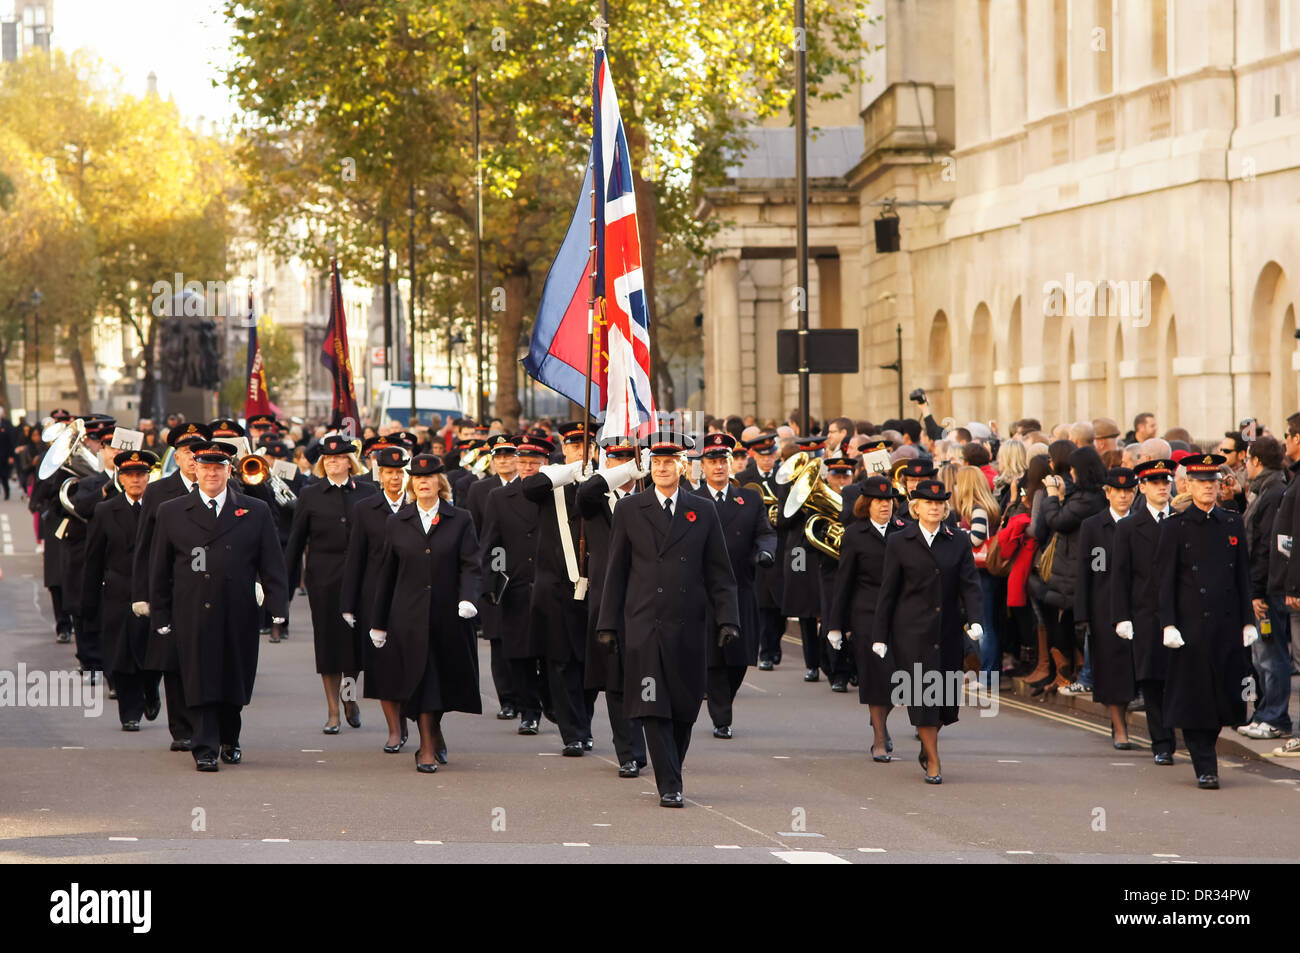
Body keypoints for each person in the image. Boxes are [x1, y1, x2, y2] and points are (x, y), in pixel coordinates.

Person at [597, 431, 740, 807]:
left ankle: (672, 766)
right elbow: (616, 571)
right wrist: (608, 624)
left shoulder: (703, 510)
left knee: (684, 707)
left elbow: (719, 573)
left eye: (669, 462)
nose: (662, 468)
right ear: (648, 466)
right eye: (656, 462)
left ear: (682, 466)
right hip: (644, 626)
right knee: (651, 704)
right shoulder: (629, 509)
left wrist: (728, 619)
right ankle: (670, 783)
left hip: (690, 626)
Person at [147, 440, 289, 771]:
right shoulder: (172, 511)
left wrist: (278, 606)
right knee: (199, 679)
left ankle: (230, 737)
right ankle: (205, 747)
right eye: (206, 467)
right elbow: (159, 568)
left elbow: (272, 563)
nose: (212, 473)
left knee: (233, 679)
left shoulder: (255, 510)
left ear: (229, 470)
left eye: (218, 467)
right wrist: (160, 612)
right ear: (195, 470)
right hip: (192, 610)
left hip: (238, 610)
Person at [369, 454, 481, 773]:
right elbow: (387, 574)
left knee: (442, 680)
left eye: (430, 477)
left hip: (448, 616)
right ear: (412, 484)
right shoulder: (397, 522)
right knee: (420, 679)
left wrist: (468, 598)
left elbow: (471, 564)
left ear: (439, 483)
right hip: (408, 618)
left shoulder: (460, 519)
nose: (424, 482)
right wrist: (378, 624)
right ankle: (426, 748)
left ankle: (434, 730)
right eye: (418, 478)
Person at [871, 478, 983, 784]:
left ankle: (928, 742)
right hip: (910, 633)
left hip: (946, 631)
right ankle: (934, 761)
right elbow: (888, 592)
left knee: (945, 704)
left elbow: (970, 584)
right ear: (915, 507)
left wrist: (975, 619)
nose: (935, 508)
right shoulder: (899, 541)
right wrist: (880, 636)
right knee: (921, 697)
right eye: (929, 503)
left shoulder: (958, 539)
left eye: (939, 504)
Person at [1156, 453, 1256, 789]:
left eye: (1213, 482)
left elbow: (1242, 575)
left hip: (1226, 626)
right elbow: (1165, 580)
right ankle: (1205, 765)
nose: (1209, 488)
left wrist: (1248, 621)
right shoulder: (1175, 526)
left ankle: (1205, 752)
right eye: (1201, 483)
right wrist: (1168, 624)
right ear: (1188, 486)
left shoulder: (1231, 523)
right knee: (1195, 697)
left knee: (1223, 698)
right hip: (1191, 627)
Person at [285, 432, 377, 733]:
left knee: (353, 645)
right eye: (330, 458)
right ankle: (333, 711)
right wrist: (283, 589)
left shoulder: (367, 491)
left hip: (361, 577)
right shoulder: (311, 495)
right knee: (327, 644)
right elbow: (296, 542)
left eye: (340, 458)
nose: (335, 462)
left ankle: (349, 697)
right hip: (323, 578)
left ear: (350, 462)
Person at [521, 423, 601, 756]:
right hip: (556, 589)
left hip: (596, 589)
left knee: (592, 666)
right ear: (564, 448)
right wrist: (570, 471)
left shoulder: (603, 481)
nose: (581, 451)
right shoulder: (552, 478)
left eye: (587, 446)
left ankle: (583, 719)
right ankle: (574, 733)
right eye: (574, 445)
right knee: (561, 662)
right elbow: (530, 488)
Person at [691, 432, 775, 738]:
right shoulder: (691, 498)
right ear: (702, 466)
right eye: (712, 461)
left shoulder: (749, 499)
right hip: (704, 593)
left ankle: (723, 698)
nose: (718, 467)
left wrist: (766, 551)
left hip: (741, 586)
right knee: (713, 658)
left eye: (723, 460)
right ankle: (721, 717)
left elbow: (765, 532)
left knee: (740, 658)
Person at [577, 437, 650, 777]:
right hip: (609, 602)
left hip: (648, 602)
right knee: (617, 682)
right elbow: (586, 493)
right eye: (615, 461)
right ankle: (629, 753)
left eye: (628, 461)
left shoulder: (650, 499)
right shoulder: (595, 501)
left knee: (649, 677)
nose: (622, 468)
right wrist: (617, 473)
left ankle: (653, 742)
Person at [82, 450, 163, 730]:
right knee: (121, 653)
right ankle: (130, 712)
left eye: (141, 474)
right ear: (121, 478)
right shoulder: (105, 511)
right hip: (118, 592)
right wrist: (88, 603)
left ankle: (151, 688)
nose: (136, 480)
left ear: (149, 477)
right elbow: (93, 558)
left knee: (153, 651)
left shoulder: (162, 509)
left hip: (153, 590)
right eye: (130, 475)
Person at [827, 475, 906, 761]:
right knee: (876, 677)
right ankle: (879, 739)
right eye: (878, 501)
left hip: (899, 615)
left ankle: (880, 721)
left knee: (899, 678)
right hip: (866, 616)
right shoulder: (854, 535)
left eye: (888, 500)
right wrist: (835, 624)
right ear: (866, 504)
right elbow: (843, 582)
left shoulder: (905, 530)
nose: (885, 505)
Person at [340, 445, 412, 752]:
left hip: (412, 596)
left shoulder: (420, 504)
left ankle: (416, 722)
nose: (395, 479)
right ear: (379, 475)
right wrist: (348, 603)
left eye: (400, 473)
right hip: (376, 597)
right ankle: (394, 730)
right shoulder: (365, 508)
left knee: (412, 664)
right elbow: (355, 556)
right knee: (382, 666)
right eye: (389, 473)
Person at [479, 433, 550, 734]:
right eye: (524, 463)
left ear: (546, 464)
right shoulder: (499, 497)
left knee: (552, 653)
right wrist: (492, 584)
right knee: (519, 654)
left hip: (551, 584)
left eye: (534, 463)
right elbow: (492, 544)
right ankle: (528, 711)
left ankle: (552, 703)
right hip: (516, 585)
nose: (528, 468)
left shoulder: (557, 493)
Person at [1031, 445, 1107, 693]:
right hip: (1069, 565)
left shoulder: (1089, 499)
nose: (1071, 474)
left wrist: (1051, 495)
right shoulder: (1083, 495)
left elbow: (1057, 522)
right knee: (1064, 618)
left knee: (1076, 623)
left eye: (1074, 470)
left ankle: (1081, 675)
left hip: (1077, 566)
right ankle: (1070, 672)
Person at [1075, 467, 1138, 747]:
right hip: (1103, 608)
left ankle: (1125, 721)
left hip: (1138, 606)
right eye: (1117, 491)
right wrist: (1083, 615)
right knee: (1111, 670)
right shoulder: (1092, 526)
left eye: (1128, 491)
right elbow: (1084, 573)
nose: (1123, 496)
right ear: (1107, 493)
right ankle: (1119, 726)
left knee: (1134, 668)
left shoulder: (1142, 523)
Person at [1236, 436, 1291, 740]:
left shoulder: (1273, 494)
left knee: (1271, 655)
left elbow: (1264, 549)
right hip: (1262, 587)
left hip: (1267, 591)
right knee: (1263, 655)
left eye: (1246, 460)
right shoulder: (1267, 490)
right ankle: (1265, 713)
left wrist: (1256, 592)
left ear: (1256, 461)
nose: (1245, 466)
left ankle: (1275, 718)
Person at [464, 434, 520, 719]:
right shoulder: (479, 489)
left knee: (525, 639)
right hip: (494, 571)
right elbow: (473, 533)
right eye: (498, 456)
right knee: (498, 639)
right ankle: (508, 700)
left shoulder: (529, 487)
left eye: (509, 455)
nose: (503, 461)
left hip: (524, 570)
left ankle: (529, 698)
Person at [737, 431, 784, 670]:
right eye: (762, 456)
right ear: (755, 455)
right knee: (762, 602)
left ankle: (775, 646)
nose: (767, 460)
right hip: (755, 549)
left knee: (780, 605)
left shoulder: (784, 478)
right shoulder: (743, 478)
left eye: (771, 455)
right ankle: (765, 652)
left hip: (780, 546)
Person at [952, 466, 1001, 674]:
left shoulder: (977, 508)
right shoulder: (984, 505)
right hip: (985, 571)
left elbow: (976, 537)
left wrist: (956, 532)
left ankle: (988, 675)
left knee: (984, 625)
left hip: (982, 570)